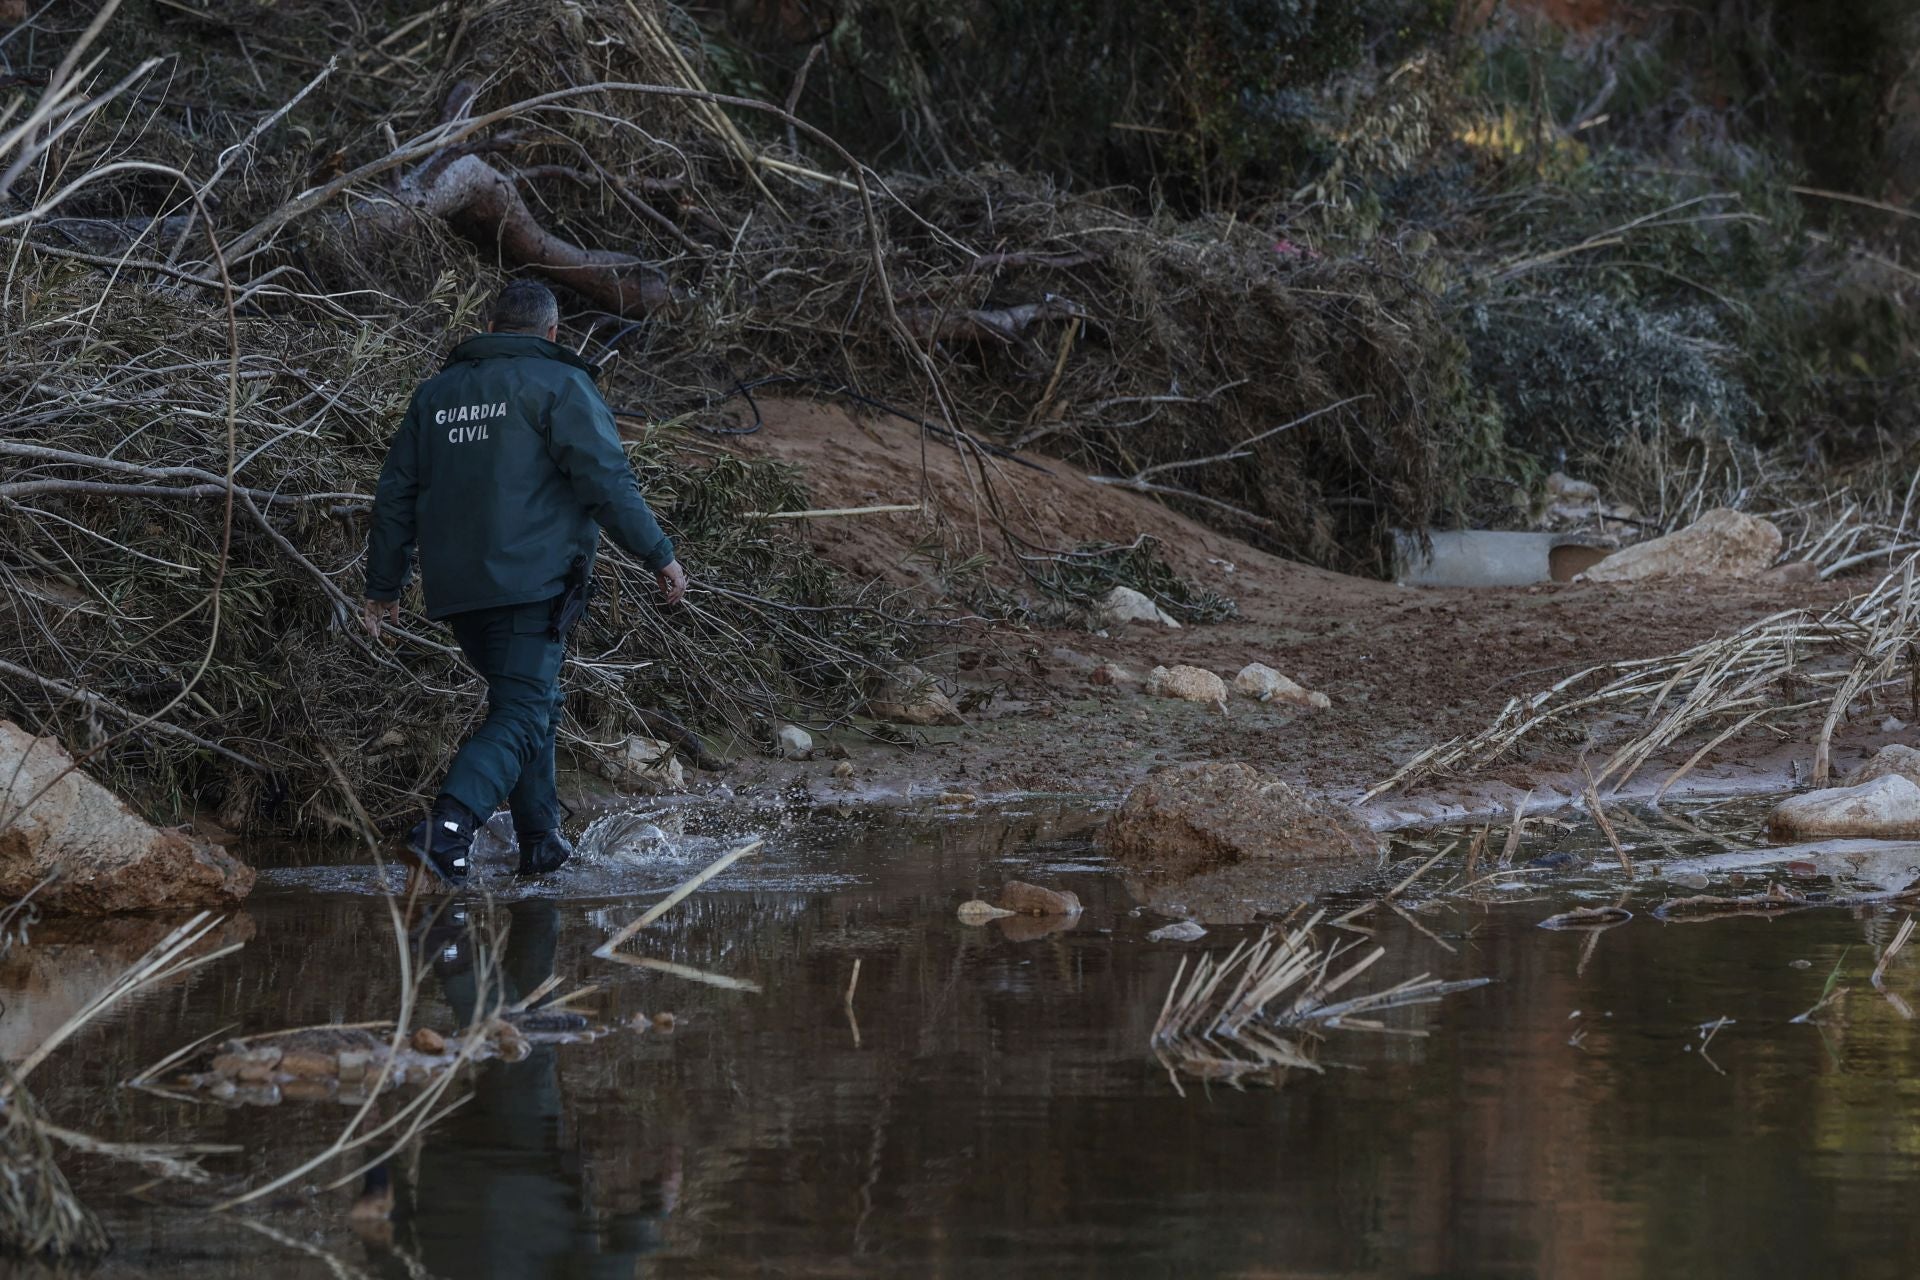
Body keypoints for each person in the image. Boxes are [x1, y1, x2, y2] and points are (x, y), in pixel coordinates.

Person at [361, 280, 686, 882]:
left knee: (533, 703)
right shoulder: (560, 385)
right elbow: (606, 481)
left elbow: (395, 496)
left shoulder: (437, 395)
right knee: (523, 710)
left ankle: (541, 841)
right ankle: (449, 826)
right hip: (531, 586)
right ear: (554, 332)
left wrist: (384, 586)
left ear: (491, 325)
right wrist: (658, 552)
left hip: (458, 590)